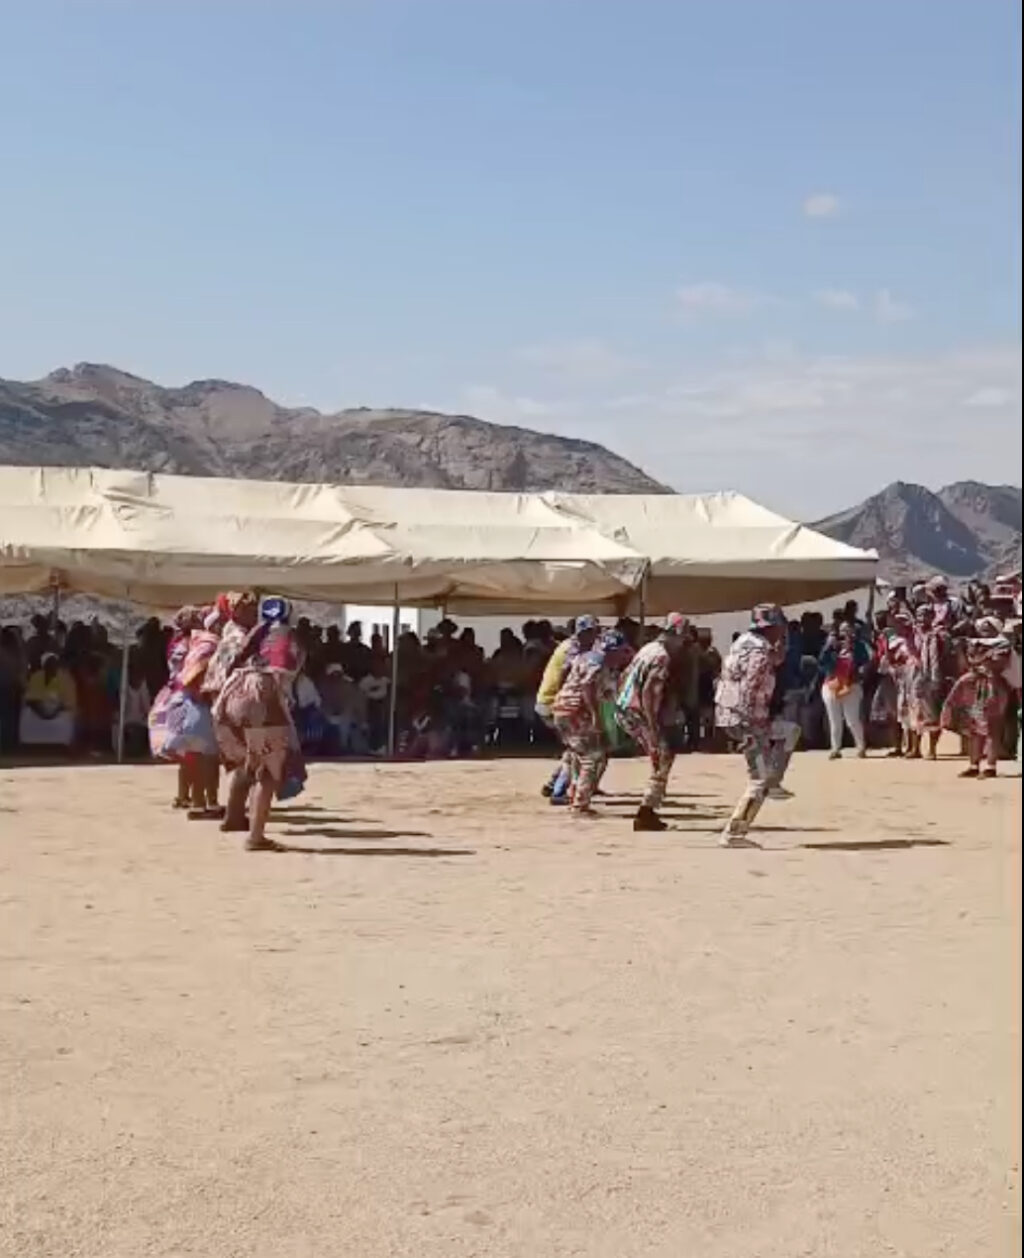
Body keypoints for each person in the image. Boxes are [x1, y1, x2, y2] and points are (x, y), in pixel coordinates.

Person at [213, 597, 305, 850]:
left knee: (251, 764)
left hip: (233, 700)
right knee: (267, 773)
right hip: (263, 703)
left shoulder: (252, 635)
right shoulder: (283, 637)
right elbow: (281, 671)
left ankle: (237, 818)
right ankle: (256, 836)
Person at [714, 604, 789, 846]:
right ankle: (734, 832)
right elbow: (750, 684)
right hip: (747, 719)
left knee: (790, 732)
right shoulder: (761, 651)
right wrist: (752, 721)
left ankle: (774, 781)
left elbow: (771, 662)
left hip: (731, 714)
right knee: (759, 778)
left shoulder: (744, 642)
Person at [614, 612, 690, 832]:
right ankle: (646, 811)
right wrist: (653, 727)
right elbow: (649, 692)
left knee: (661, 756)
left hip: (625, 707)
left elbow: (624, 676)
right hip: (638, 712)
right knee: (662, 755)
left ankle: (650, 807)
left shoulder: (647, 649)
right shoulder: (661, 657)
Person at [552, 629, 631, 818]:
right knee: (592, 757)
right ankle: (580, 805)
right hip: (576, 711)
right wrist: (596, 716)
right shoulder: (597, 662)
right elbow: (588, 687)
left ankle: (573, 797)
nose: (621, 656)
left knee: (577, 755)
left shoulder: (586, 657)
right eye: (620, 652)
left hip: (564, 709)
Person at [534, 615, 600, 800]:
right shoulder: (574, 649)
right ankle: (560, 790)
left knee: (574, 746)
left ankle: (554, 783)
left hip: (551, 700)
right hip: (554, 702)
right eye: (594, 632)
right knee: (578, 749)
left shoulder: (571, 646)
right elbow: (568, 675)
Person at [940, 617, 1013, 778]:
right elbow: (966, 666)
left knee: (993, 729)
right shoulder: (975, 645)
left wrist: (981, 659)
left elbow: (997, 666)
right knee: (974, 729)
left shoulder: (1003, 645)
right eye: (982, 627)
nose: (984, 630)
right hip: (975, 688)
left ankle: (990, 766)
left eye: (988, 627)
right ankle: (974, 764)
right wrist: (961, 651)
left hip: (994, 687)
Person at [819, 622, 870, 759]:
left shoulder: (859, 646)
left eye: (848, 630)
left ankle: (860, 747)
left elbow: (865, 662)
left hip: (851, 685)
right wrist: (829, 646)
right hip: (832, 684)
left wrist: (852, 650)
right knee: (834, 720)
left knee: (852, 719)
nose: (845, 634)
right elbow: (822, 662)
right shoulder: (831, 646)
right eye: (842, 631)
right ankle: (835, 749)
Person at [19, 653, 77, 748]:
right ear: (44, 665)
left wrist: (54, 711)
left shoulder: (66, 678)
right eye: (48, 663)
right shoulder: (36, 677)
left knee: (65, 718)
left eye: (54, 663)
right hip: (38, 711)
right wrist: (42, 712)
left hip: (59, 711)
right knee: (26, 714)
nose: (51, 666)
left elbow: (68, 702)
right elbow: (31, 700)